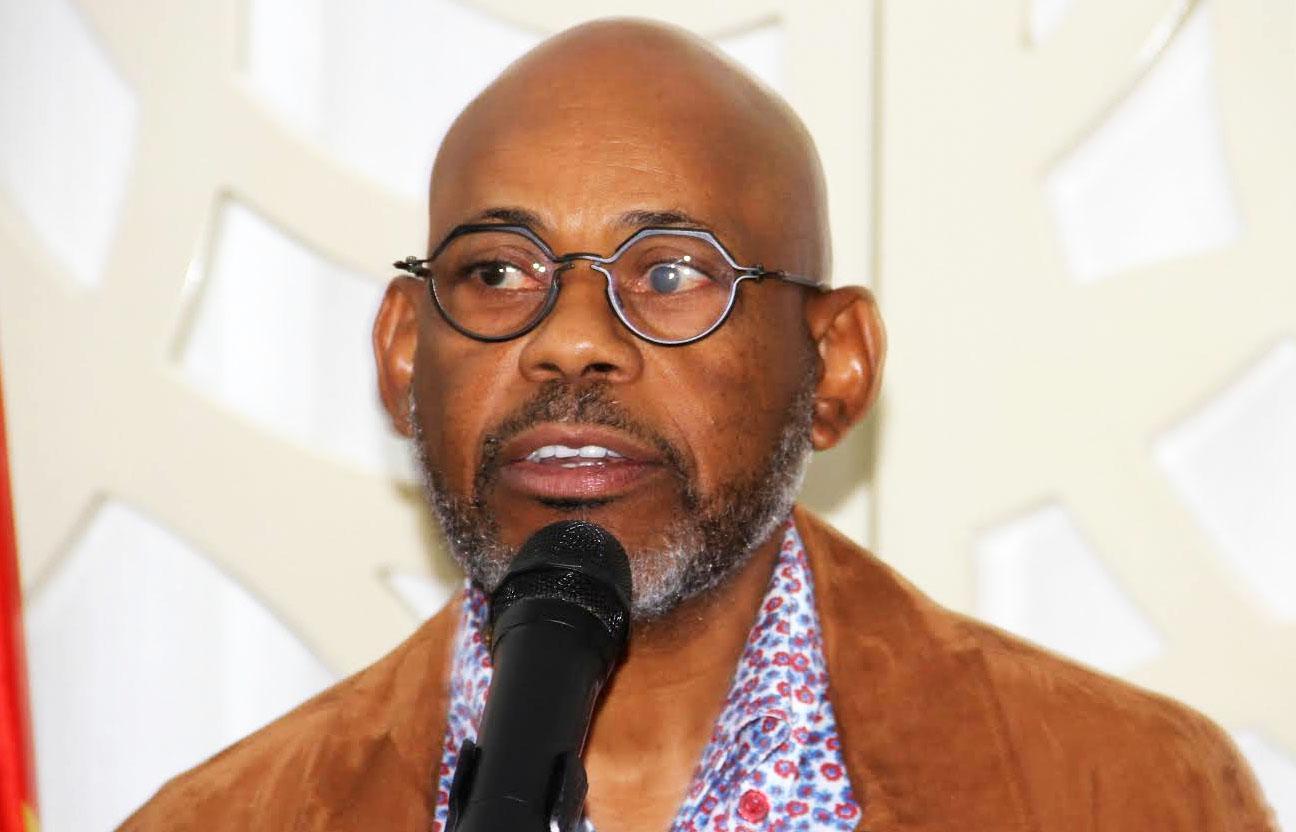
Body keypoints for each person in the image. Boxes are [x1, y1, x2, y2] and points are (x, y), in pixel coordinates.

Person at [121, 18, 1275, 832]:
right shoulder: (221, 819)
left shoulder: (1130, 793)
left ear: (835, 366)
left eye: (672, 272)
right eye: (498, 271)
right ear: (403, 353)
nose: (572, 340)